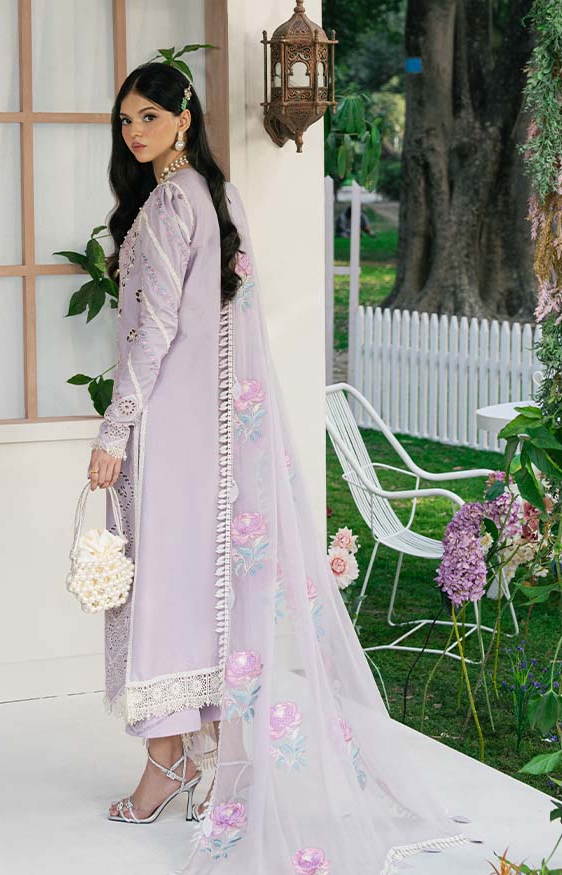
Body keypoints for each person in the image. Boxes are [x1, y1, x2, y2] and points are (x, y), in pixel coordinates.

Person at [89, 61, 474, 873]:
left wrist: (115, 430)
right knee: (198, 592)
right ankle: (195, 760)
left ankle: (167, 765)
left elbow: (154, 332)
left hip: (170, 432)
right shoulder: (217, 197)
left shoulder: (171, 204)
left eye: (149, 116)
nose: (134, 132)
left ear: (185, 117)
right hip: (217, 436)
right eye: (125, 120)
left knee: (162, 592)